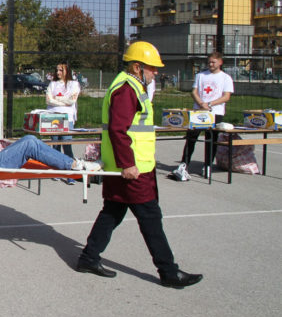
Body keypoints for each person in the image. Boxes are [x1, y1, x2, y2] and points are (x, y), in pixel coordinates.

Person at [76, 42, 202, 288]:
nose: (156, 72)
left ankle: (88, 258)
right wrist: (128, 164)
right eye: (152, 68)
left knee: (113, 212)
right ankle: (169, 272)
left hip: (128, 166)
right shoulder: (127, 89)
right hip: (131, 169)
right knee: (150, 218)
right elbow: (118, 129)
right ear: (137, 67)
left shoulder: (131, 85)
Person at [171, 51, 234, 182]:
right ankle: (184, 164)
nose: (210, 64)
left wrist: (210, 104)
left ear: (220, 62)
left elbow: (226, 96)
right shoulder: (200, 76)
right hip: (199, 112)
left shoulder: (225, 78)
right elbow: (194, 92)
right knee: (191, 137)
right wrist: (201, 103)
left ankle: (208, 165)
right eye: (209, 62)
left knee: (211, 138)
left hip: (215, 112)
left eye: (213, 62)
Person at [46, 62, 81, 185]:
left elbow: (72, 100)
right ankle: (57, 170)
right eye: (57, 70)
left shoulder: (74, 84)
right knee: (55, 144)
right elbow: (48, 99)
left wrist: (57, 100)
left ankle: (70, 173)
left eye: (61, 70)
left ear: (67, 71)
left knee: (67, 144)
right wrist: (62, 101)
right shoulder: (52, 83)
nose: (58, 73)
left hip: (67, 117)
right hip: (53, 116)